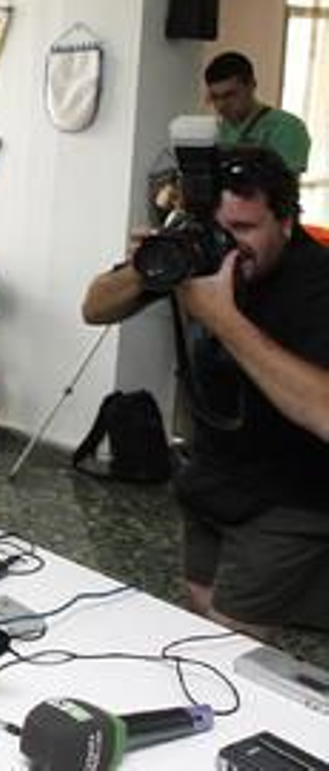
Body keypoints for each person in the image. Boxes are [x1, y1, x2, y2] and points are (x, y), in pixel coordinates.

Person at [81, 147, 329, 637]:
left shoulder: (317, 285)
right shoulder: (201, 250)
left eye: (244, 229)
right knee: (198, 615)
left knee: (226, 645)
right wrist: (149, 263)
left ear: (285, 223)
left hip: (291, 495)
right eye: (218, 230)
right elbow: (94, 308)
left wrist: (222, 318)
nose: (227, 248)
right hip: (214, 478)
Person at [204, 51, 311, 173]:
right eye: (214, 97)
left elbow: (286, 187)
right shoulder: (218, 129)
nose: (220, 105)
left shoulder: (287, 128)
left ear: (252, 86)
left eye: (229, 95)